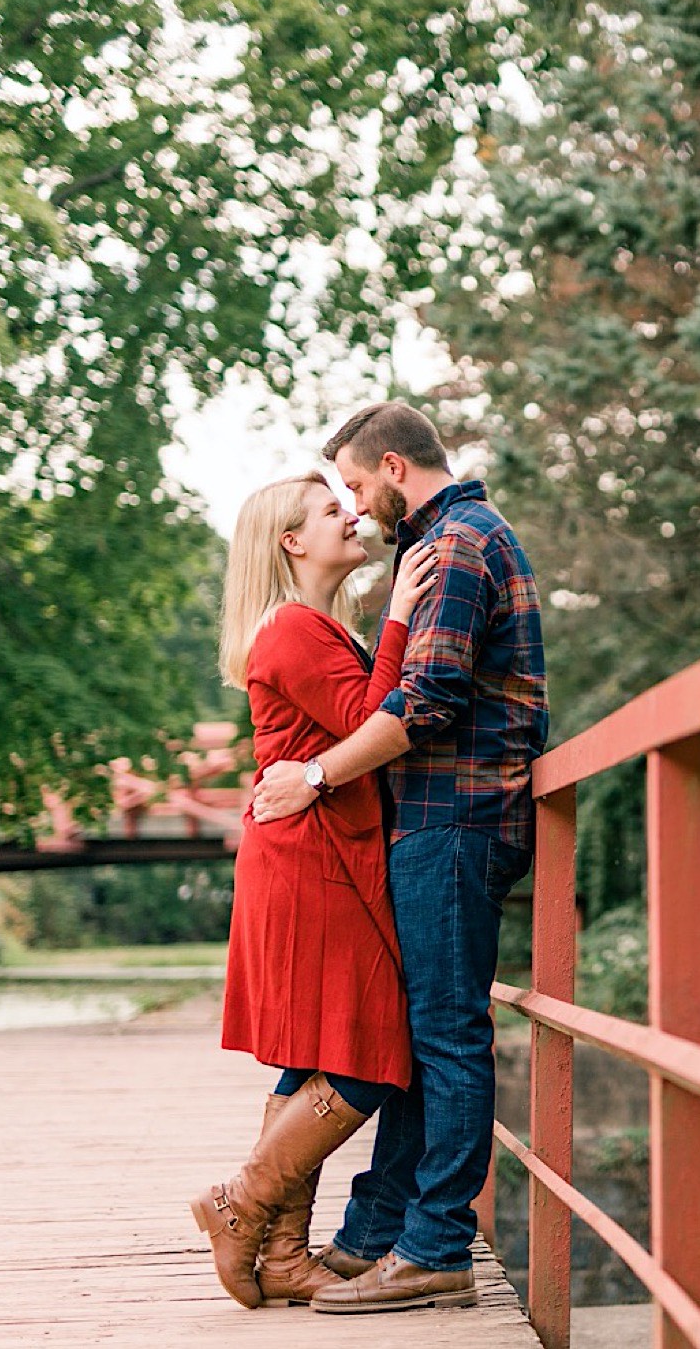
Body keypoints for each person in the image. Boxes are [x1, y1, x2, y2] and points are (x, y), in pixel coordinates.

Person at [250, 401, 547, 1315]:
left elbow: (424, 705)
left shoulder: (457, 544)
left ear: (391, 464)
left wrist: (315, 775)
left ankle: (432, 1244)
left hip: (454, 821)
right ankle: (381, 1230)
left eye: (352, 483)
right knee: (429, 1038)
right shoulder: (445, 544)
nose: (353, 501)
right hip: (438, 821)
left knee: (447, 1036)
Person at [192, 472, 442, 1309]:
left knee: (312, 1050)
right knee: (369, 1050)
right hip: (312, 859)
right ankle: (241, 1204)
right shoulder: (295, 630)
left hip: (313, 849)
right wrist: (403, 611)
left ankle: (285, 1254)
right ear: (292, 541)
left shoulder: (309, 624)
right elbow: (377, 717)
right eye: (332, 510)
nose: (351, 514)